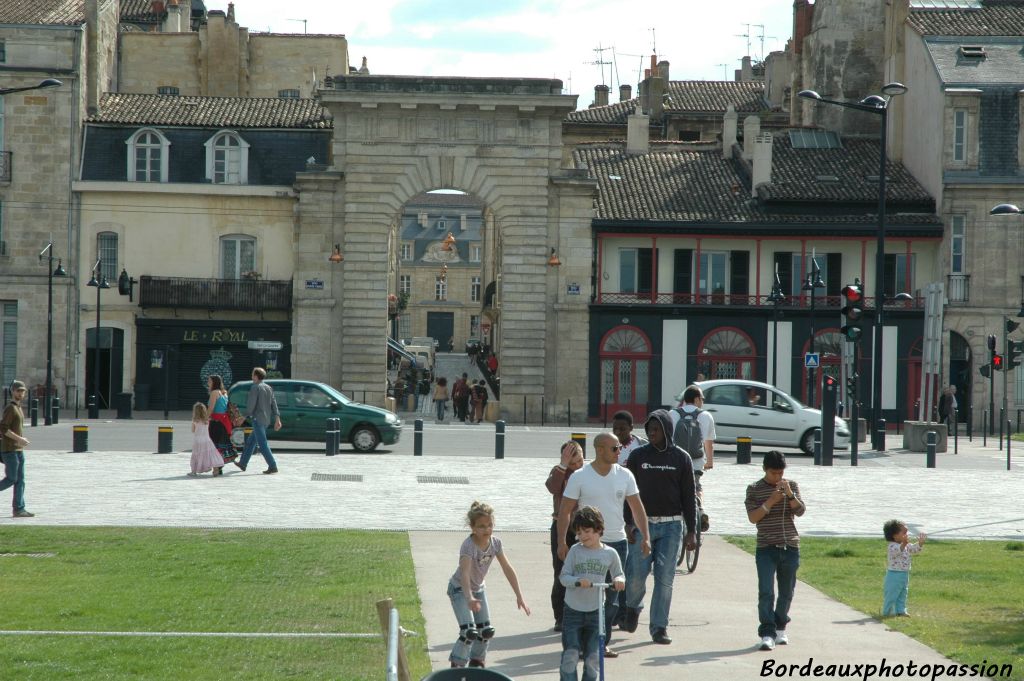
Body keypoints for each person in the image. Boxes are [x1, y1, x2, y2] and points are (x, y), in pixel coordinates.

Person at [557, 432, 650, 659]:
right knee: (584, 594)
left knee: (613, 599)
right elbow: (565, 511)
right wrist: (562, 541)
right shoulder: (580, 476)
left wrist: (645, 536)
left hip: (617, 544)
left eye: (619, 448)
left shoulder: (625, 475)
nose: (620, 451)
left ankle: (601, 642)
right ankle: (580, 641)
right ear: (600, 450)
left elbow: (637, 508)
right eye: (615, 448)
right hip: (586, 545)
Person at [621, 410, 697, 644]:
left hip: (672, 526)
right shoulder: (637, 456)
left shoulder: (681, 458)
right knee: (636, 577)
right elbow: (628, 494)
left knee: (665, 579)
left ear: (667, 431)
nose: (652, 433)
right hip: (642, 525)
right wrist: (628, 523)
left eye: (656, 429)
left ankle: (659, 627)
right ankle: (633, 607)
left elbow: (689, 496)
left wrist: (692, 531)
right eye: (649, 430)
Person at [447, 501, 530, 669]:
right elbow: (464, 574)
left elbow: (507, 568)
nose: (487, 530)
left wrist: (519, 595)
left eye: (490, 525)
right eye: (482, 526)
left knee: (486, 631)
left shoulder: (496, 543)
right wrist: (469, 597)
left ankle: (477, 662)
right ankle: (457, 664)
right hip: (459, 589)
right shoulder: (468, 546)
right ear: (472, 527)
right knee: (469, 632)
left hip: (478, 589)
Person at [745, 450, 805, 651]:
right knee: (766, 591)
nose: (777, 477)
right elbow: (753, 518)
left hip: (789, 546)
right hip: (766, 547)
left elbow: (800, 511)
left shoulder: (792, 486)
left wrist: (789, 494)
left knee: (787, 592)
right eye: (773, 473)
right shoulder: (754, 489)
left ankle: (780, 628)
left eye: (780, 473)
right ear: (764, 469)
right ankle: (767, 632)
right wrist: (770, 501)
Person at [559, 506, 625, 681]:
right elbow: (563, 577)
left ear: (599, 529)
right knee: (570, 655)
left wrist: (619, 580)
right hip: (573, 610)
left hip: (596, 612)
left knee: (592, 658)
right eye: (579, 533)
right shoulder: (575, 550)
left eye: (587, 531)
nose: (583, 536)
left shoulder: (610, 553)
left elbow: (619, 574)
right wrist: (578, 581)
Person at [546, 441, 585, 632]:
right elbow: (552, 488)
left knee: (584, 572)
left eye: (580, 461)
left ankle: (580, 614)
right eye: (572, 463)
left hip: (585, 529)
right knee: (561, 571)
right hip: (561, 526)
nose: (577, 466)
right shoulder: (559, 471)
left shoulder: (588, 472)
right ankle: (560, 616)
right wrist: (563, 466)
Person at [669, 384, 715, 531]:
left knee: (674, 486)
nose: (702, 401)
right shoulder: (706, 416)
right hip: (695, 462)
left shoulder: (672, 414)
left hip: (675, 461)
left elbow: (668, 440)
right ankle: (700, 509)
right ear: (696, 399)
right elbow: (708, 442)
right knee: (696, 486)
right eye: (702, 399)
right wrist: (709, 462)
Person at [236, 367, 282, 474]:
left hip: (257, 419)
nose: (251, 377)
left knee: (262, 444)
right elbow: (274, 404)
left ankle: (272, 465)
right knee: (251, 441)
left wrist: (244, 416)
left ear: (256, 376)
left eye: (252, 375)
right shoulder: (268, 388)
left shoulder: (255, 387)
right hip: (266, 420)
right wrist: (277, 418)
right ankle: (243, 463)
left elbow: (251, 405)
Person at [0, 380, 33, 517]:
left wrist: (20, 442)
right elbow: (3, 429)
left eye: (22, 391)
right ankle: (19, 508)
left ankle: (19, 509)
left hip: (18, 450)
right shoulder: (11, 408)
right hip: (9, 449)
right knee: (12, 478)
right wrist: (20, 439)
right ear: (12, 392)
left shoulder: (19, 408)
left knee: (21, 480)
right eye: (18, 391)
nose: (20, 393)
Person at [882, 519, 926, 617]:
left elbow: (914, 550)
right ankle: (888, 611)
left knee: (903, 593)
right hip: (894, 574)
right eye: (904, 532)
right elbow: (898, 551)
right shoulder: (892, 546)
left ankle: (900, 610)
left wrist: (920, 543)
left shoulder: (905, 545)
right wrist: (904, 544)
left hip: (904, 574)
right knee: (892, 593)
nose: (907, 534)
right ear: (894, 535)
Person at [189, 402, 225, 477]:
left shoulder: (195, 420)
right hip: (207, 440)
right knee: (211, 454)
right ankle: (215, 468)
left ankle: (193, 471)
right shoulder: (207, 420)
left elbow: (193, 430)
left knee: (196, 455)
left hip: (198, 441)